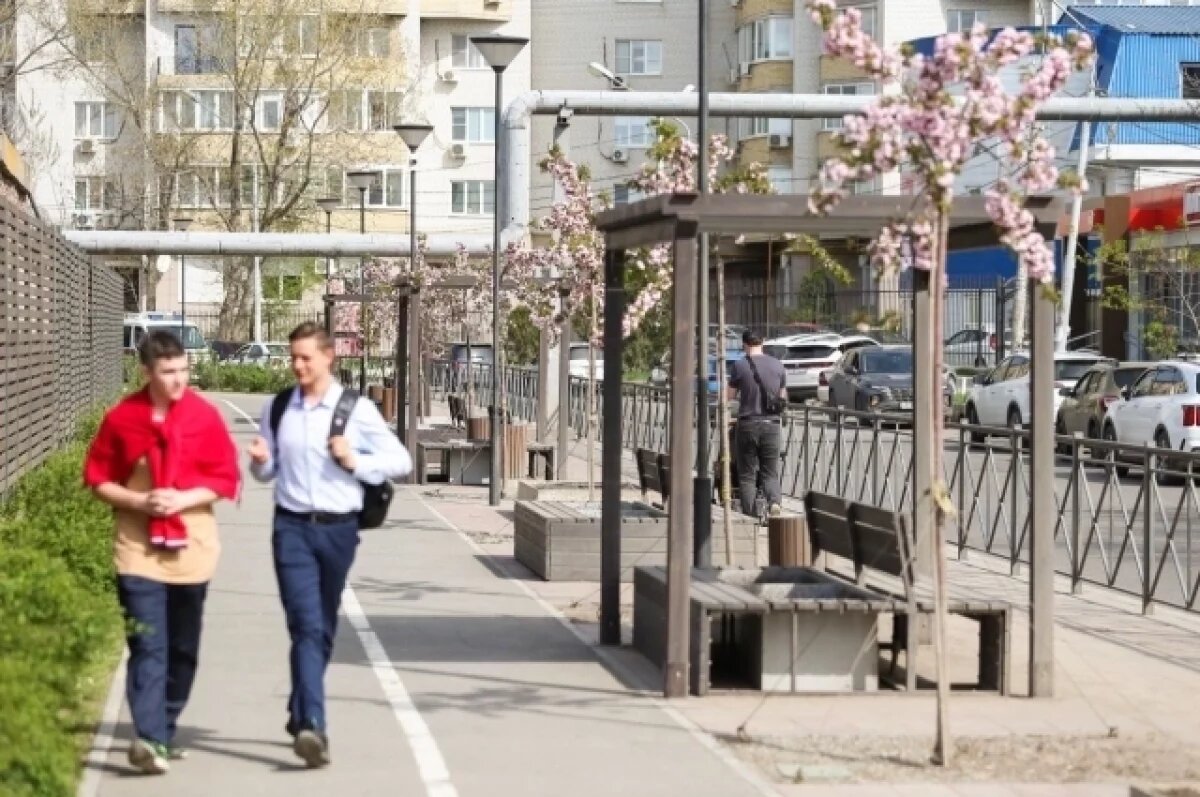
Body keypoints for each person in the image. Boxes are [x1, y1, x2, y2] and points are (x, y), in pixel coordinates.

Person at [247, 322, 412, 769]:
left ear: (327, 358)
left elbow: (401, 460)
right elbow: (268, 473)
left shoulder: (354, 410)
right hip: (292, 528)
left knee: (322, 626)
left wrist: (355, 459)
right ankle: (312, 726)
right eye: (293, 358)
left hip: (339, 530)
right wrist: (260, 462)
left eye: (305, 358)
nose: (297, 365)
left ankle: (299, 706)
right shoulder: (279, 407)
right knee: (305, 624)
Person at [84, 330, 241, 775]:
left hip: (192, 545)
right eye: (168, 371)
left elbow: (224, 477)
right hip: (138, 548)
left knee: (183, 648)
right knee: (147, 644)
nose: (178, 379)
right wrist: (140, 501)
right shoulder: (123, 419)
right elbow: (99, 479)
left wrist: (182, 498)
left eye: (183, 370)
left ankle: (165, 726)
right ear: (147, 372)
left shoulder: (203, 417)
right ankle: (149, 738)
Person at [726, 328, 787, 518]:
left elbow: (729, 396)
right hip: (772, 425)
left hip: (748, 424)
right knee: (770, 472)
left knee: (747, 475)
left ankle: (751, 516)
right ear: (763, 342)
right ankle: (774, 502)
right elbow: (782, 397)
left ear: (744, 344)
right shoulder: (778, 365)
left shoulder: (739, 366)